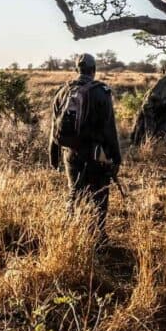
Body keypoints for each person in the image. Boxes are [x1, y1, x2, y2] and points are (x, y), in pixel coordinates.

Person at [49, 53, 121, 240]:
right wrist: (116, 158)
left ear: (76, 70)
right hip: (96, 153)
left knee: (75, 191)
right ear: (94, 70)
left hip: (70, 153)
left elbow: (53, 128)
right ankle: (99, 236)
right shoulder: (101, 92)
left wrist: (53, 156)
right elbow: (109, 129)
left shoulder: (62, 91)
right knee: (100, 195)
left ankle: (72, 233)